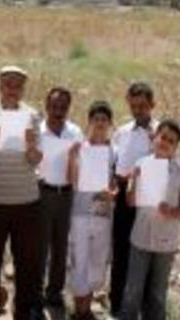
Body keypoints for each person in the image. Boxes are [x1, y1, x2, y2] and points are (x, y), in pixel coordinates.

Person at [0, 65, 44, 320]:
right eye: (8, 84)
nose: (13, 89)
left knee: (26, 261)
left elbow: (36, 160)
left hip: (26, 201)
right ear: (0, 85)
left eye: (18, 85)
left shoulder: (32, 115)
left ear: (23, 88)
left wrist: (30, 146)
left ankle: (23, 311)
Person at [120, 120, 180, 320]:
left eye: (171, 141)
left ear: (175, 147)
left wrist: (173, 212)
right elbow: (130, 202)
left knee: (157, 294)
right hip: (140, 238)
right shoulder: (141, 164)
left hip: (166, 243)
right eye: (163, 137)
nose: (165, 143)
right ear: (155, 137)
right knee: (132, 292)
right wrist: (135, 180)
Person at [109, 82, 158, 316]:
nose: (138, 111)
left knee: (145, 254)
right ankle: (117, 306)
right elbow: (114, 163)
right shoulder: (122, 131)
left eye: (143, 106)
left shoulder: (160, 134)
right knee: (120, 251)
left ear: (152, 105)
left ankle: (143, 308)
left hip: (148, 202)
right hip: (122, 199)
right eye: (134, 105)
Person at [66, 101, 117, 320]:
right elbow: (73, 182)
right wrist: (71, 157)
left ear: (110, 124)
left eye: (104, 120)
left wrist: (112, 194)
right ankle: (80, 311)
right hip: (80, 213)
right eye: (96, 119)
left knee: (97, 260)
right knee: (80, 260)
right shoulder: (80, 149)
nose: (100, 123)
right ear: (89, 122)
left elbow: (115, 182)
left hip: (103, 214)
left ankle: (88, 308)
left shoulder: (114, 152)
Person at [36, 87, 82, 310]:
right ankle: (35, 293)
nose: (58, 110)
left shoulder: (75, 132)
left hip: (66, 194)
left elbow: (83, 164)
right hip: (42, 193)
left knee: (61, 246)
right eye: (54, 106)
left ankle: (54, 292)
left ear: (68, 108)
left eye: (63, 106)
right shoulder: (36, 131)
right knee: (40, 246)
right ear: (46, 105)